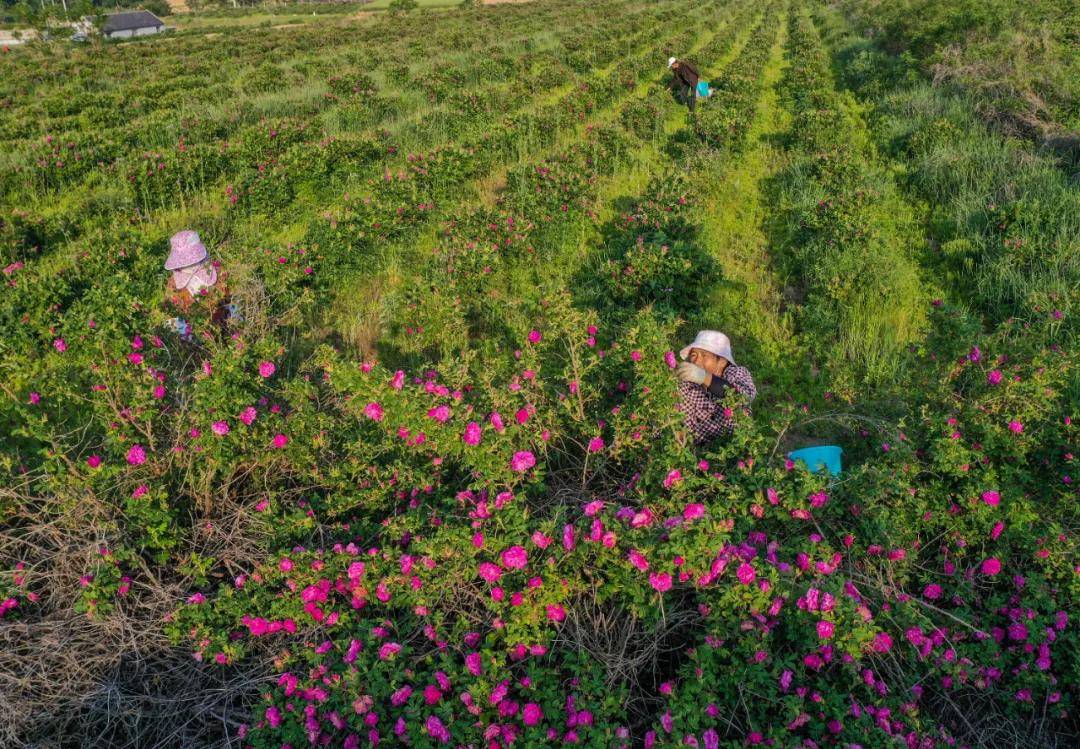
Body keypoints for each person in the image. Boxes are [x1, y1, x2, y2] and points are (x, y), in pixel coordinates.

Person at [674, 330, 757, 444]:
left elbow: (742, 398)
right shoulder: (690, 385)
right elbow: (684, 423)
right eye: (693, 355)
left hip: (735, 445)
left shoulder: (736, 373)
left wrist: (703, 377)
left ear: (722, 361)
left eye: (704, 355)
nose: (697, 360)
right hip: (702, 451)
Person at [163, 230, 238, 337]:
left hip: (224, 324)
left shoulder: (217, 271)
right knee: (170, 324)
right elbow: (170, 310)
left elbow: (231, 296)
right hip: (193, 333)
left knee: (236, 308)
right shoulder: (174, 282)